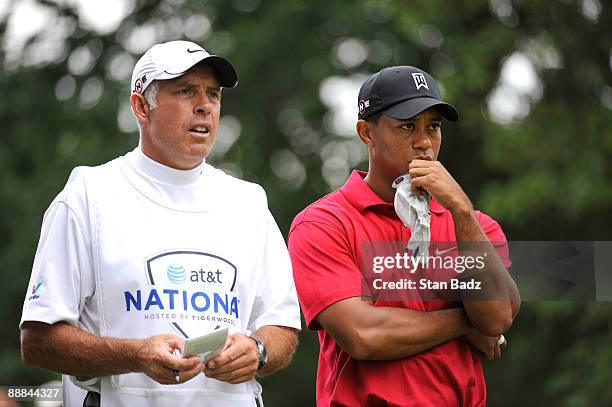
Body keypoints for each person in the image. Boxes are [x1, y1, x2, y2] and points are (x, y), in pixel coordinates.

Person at [20, 40, 301, 407]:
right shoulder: (89, 195)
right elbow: (38, 342)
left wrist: (259, 351)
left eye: (212, 94)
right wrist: (136, 354)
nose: (204, 106)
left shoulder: (249, 202)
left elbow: (281, 324)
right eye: (185, 91)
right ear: (140, 106)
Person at [288, 66, 521, 406]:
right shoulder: (323, 223)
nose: (424, 142)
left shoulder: (474, 225)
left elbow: (497, 318)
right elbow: (364, 335)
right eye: (408, 126)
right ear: (367, 133)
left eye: (434, 127)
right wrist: (465, 322)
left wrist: (461, 211)